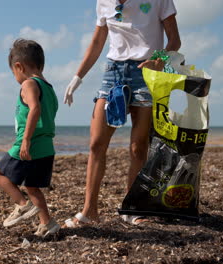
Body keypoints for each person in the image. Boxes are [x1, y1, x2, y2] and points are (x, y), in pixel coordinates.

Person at [63, 0, 181, 227]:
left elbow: (175, 40)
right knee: (97, 143)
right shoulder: (103, 2)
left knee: (138, 147)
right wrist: (78, 76)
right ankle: (90, 211)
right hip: (113, 72)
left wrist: (160, 61)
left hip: (146, 72)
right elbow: (98, 41)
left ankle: (131, 208)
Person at [0, 39, 60, 237]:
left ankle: (22, 205)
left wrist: (26, 140)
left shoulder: (29, 84)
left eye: (13, 72)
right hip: (46, 146)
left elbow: (35, 109)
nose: (15, 76)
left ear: (18, 66)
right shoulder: (48, 87)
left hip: (31, 144)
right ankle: (47, 223)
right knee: (32, 186)